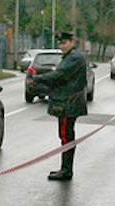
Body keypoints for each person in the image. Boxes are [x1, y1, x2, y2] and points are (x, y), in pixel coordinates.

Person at [30, 31, 88, 181]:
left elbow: (59, 76)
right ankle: (66, 169)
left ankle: (66, 170)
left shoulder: (74, 58)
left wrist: (37, 79)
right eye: (60, 43)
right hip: (68, 101)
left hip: (68, 102)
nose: (61, 46)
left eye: (64, 43)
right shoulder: (72, 56)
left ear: (72, 42)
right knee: (66, 135)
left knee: (66, 136)